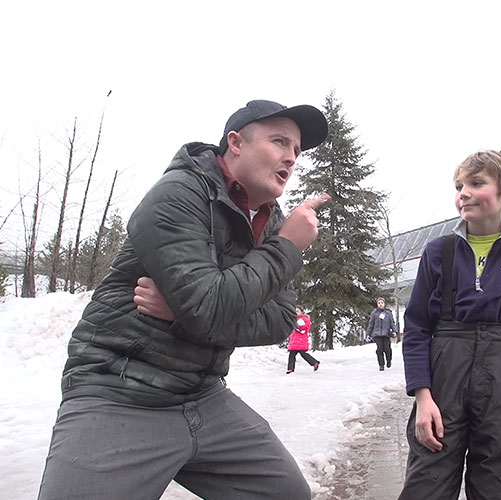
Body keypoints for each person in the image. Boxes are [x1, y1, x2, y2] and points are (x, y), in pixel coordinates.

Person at [37, 99, 329, 500]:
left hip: (203, 393)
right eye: (279, 141)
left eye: (296, 150)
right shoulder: (178, 194)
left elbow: (279, 319)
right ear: (235, 143)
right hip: (120, 388)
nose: (290, 158)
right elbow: (207, 307)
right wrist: (286, 250)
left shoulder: (272, 222)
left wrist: (182, 314)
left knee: (288, 494)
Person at [399, 150, 501, 500]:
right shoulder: (438, 252)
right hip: (444, 372)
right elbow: (416, 326)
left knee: (500, 483)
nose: (464, 192)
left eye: (477, 183)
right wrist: (422, 395)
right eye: (459, 185)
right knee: (426, 484)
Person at [366, 297, 399, 371]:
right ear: (377, 304)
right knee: (379, 350)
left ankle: (389, 360)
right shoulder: (374, 313)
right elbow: (371, 324)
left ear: (384, 304)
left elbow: (392, 323)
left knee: (387, 349)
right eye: (379, 303)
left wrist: (395, 331)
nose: (380, 304)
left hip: (386, 334)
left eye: (382, 303)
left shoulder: (388, 313)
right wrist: (368, 333)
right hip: (377, 334)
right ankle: (381, 365)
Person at [287, 306, 320, 374]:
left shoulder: (304, 319)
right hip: (294, 340)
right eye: (295, 311)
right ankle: (290, 369)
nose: (296, 313)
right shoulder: (294, 319)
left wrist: (299, 327)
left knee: (303, 354)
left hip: (301, 340)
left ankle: (314, 362)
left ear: (302, 312)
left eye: (297, 311)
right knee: (292, 355)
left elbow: (305, 328)